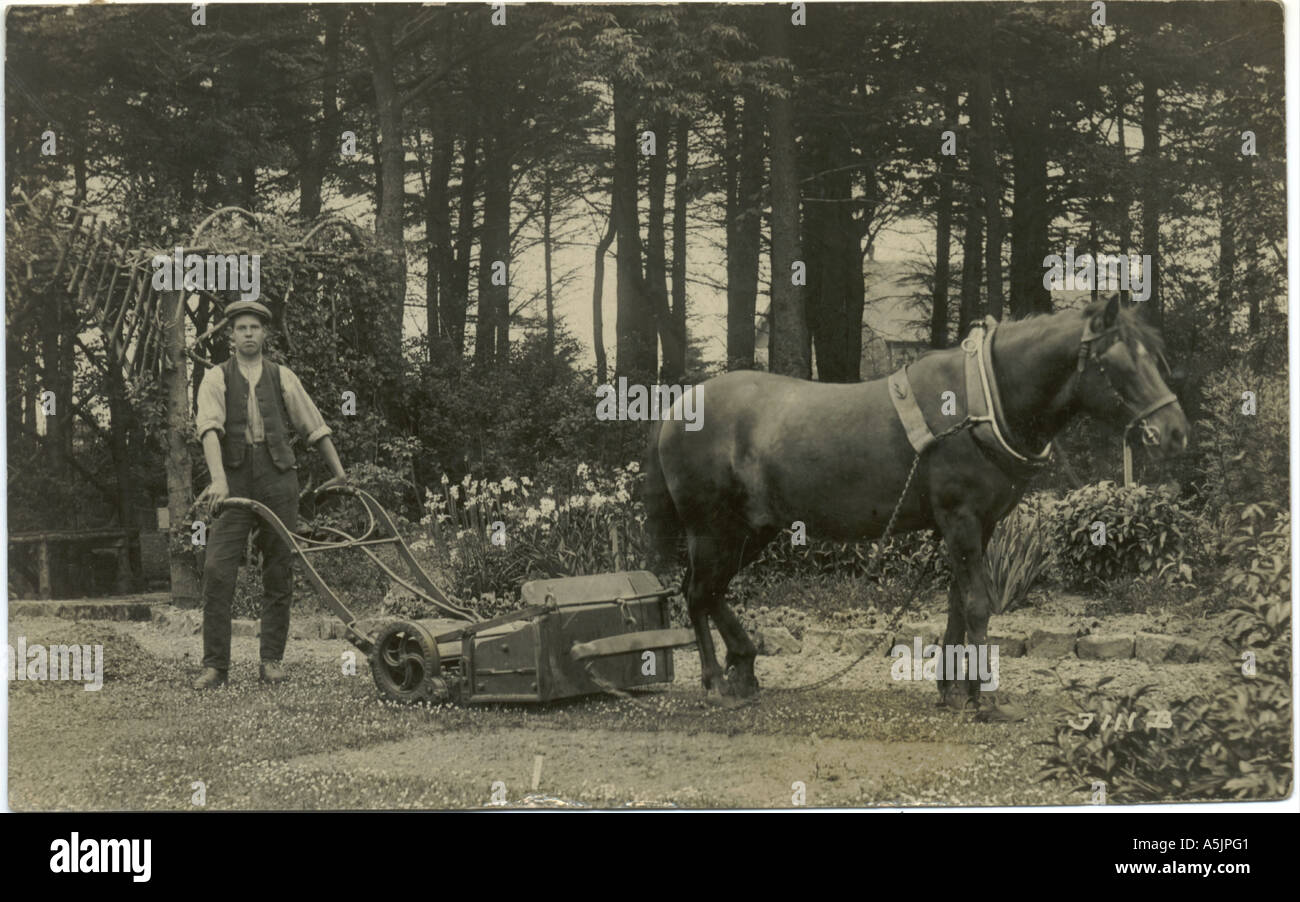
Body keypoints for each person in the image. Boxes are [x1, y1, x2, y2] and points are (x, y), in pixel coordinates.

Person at [191, 299, 346, 689]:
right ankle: (215, 666)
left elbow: (314, 426)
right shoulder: (216, 378)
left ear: (265, 334)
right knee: (217, 570)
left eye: (254, 328)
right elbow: (209, 430)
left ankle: (271, 660)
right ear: (230, 335)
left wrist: (341, 473)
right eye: (241, 328)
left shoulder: (282, 376)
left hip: (279, 480)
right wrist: (219, 480)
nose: (248, 334)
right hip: (234, 480)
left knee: (279, 569)